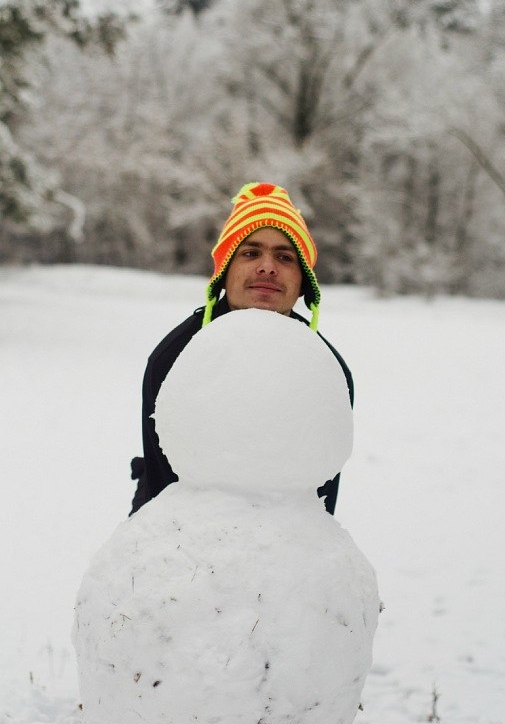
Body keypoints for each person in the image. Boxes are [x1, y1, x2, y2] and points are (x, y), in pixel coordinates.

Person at [130, 182, 354, 516]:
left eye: (285, 257)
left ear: (303, 280)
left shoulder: (327, 371)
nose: (268, 267)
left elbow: (319, 500)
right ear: (225, 271)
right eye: (250, 253)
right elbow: (164, 489)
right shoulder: (175, 357)